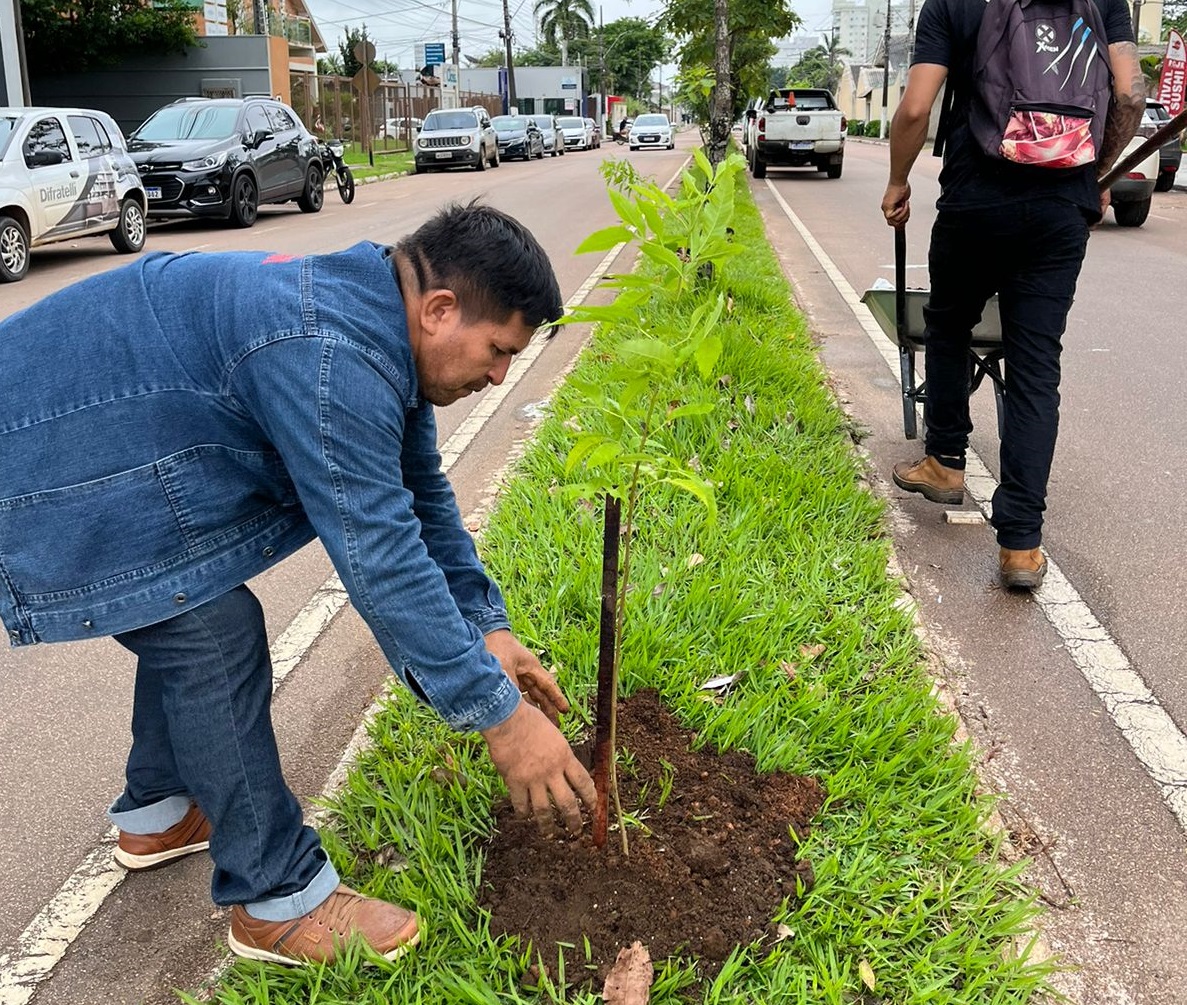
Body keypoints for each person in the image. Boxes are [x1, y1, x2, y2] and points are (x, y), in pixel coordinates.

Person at [0, 201, 597, 965]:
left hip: (97, 427)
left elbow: (417, 493)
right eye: (497, 349)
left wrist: (488, 625)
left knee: (186, 595)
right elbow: (381, 553)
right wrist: (502, 721)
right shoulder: (329, 352)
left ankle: (161, 809)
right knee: (210, 633)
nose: (498, 375)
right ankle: (276, 898)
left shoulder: (378, 317)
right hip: (43, 447)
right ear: (441, 308)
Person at [882, 0, 1145, 590]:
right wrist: (1095, 177)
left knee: (947, 324)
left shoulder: (951, 3)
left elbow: (916, 107)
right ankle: (1021, 545)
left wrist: (898, 181)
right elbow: (1129, 97)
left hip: (975, 201)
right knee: (1034, 365)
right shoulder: (1105, 1)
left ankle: (946, 461)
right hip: (1060, 208)